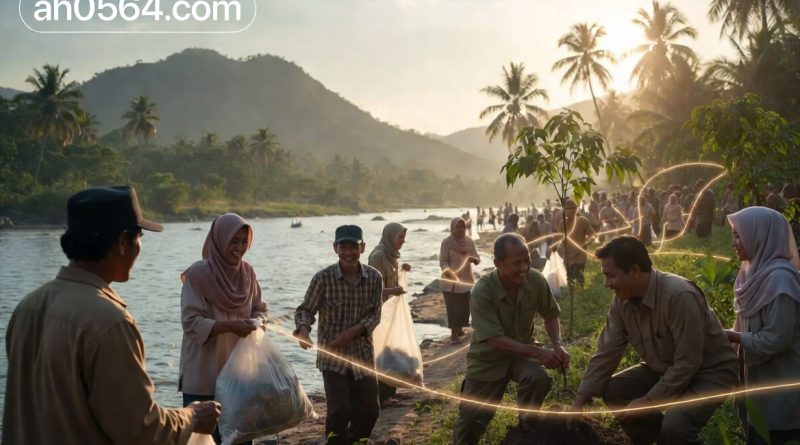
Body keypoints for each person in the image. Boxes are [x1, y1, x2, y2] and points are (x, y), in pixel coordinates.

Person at [3, 186, 220, 444]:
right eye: (139, 237)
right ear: (122, 243)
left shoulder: (28, 307)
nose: (139, 248)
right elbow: (141, 430)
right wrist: (192, 417)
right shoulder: (110, 322)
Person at [570, 236, 738, 445]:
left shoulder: (679, 296)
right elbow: (606, 352)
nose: (606, 284)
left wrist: (647, 401)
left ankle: (671, 437)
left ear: (634, 270)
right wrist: (579, 401)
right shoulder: (621, 302)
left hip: (709, 372)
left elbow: (688, 362)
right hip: (666, 368)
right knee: (615, 391)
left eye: (611, 276)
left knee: (675, 427)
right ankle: (658, 440)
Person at [452, 233, 569, 445]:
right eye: (517, 263)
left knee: (537, 376)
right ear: (498, 263)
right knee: (470, 424)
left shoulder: (535, 280)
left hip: (522, 355)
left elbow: (551, 315)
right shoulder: (482, 291)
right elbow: (495, 340)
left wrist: (557, 345)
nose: (524, 268)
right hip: (487, 360)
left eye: (527, 261)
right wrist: (538, 352)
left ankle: (526, 431)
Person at [179, 213, 268, 445]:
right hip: (204, 375)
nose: (239, 248)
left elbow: (260, 308)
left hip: (239, 375)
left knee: (240, 438)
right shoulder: (198, 275)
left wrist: (259, 321)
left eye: (244, 242)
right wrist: (229, 326)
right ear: (219, 241)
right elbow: (191, 322)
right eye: (233, 241)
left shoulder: (248, 273)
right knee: (203, 440)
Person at [294, 225, 383, 445]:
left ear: (363, 247)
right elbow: (305, 310)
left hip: (362, 355)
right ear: (335, 248)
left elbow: (375, 316)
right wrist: (303, 330)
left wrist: (353, 332)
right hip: (332, 359)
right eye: (344, 247)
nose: (349, 253)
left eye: (354, 247)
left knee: (371, 409)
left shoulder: (374, 278)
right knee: (338, 411)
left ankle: (355, 441)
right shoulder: (322, 279)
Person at [724, 207, 800, 445]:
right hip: (755, 381)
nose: (733, 243)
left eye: (738, 236)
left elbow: (777, 339)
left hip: (780, 383)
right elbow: (742, 321)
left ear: (758, 236)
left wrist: (734, 337)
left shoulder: (780, 280)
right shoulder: (749, 274)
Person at [368, 222, 412, 406]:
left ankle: (390, 392)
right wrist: (393, 291)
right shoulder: (378, 256)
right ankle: (382, 397)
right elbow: (372, 288)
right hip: (379, 313)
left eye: (403, 237)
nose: (403, 241)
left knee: (391, 351)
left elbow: (391, 280)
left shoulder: (392, 255)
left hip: (390, 312)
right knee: (381, 353)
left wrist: (402, 270)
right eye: (400, 237)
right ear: (390, 237)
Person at [440, 217, 480, 344]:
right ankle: (454, 335)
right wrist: (449, 272)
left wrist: (474, 259)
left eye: (462, 226)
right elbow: (443, 262)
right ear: (452, 228)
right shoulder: (446, 243)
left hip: (466, 280)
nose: (460, 229)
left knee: (464, 307)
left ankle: (459, 329)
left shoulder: (469, 241)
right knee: (454, 308)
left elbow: (477, 257)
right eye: (457, 226)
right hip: (451, 282)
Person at [553, 198, 595, 287]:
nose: (569, 211)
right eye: (567, 209)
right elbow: (561, 239)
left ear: (576, 209)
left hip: (580, 255)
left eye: (572, 208)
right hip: (568, 255)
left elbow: (593, 236)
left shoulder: (582, 221)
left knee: (579, 277)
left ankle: (581, 293)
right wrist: (560, 249)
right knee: (570, 278)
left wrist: (585, 245)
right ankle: (572, 294)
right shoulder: (562, 223)